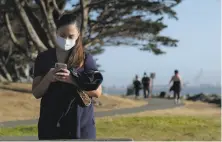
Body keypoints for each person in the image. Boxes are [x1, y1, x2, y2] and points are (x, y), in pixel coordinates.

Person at [32, 14, 103, 140]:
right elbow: (36, 93)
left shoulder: (86, 59)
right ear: (56, 33)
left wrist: (73, 80)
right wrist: (48, 78)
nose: (66, 40)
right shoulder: (43, 58)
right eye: (62, 35)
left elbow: (97, 92)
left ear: (78, 36)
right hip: (51, 124)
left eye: (71, 36)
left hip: (81, 125)